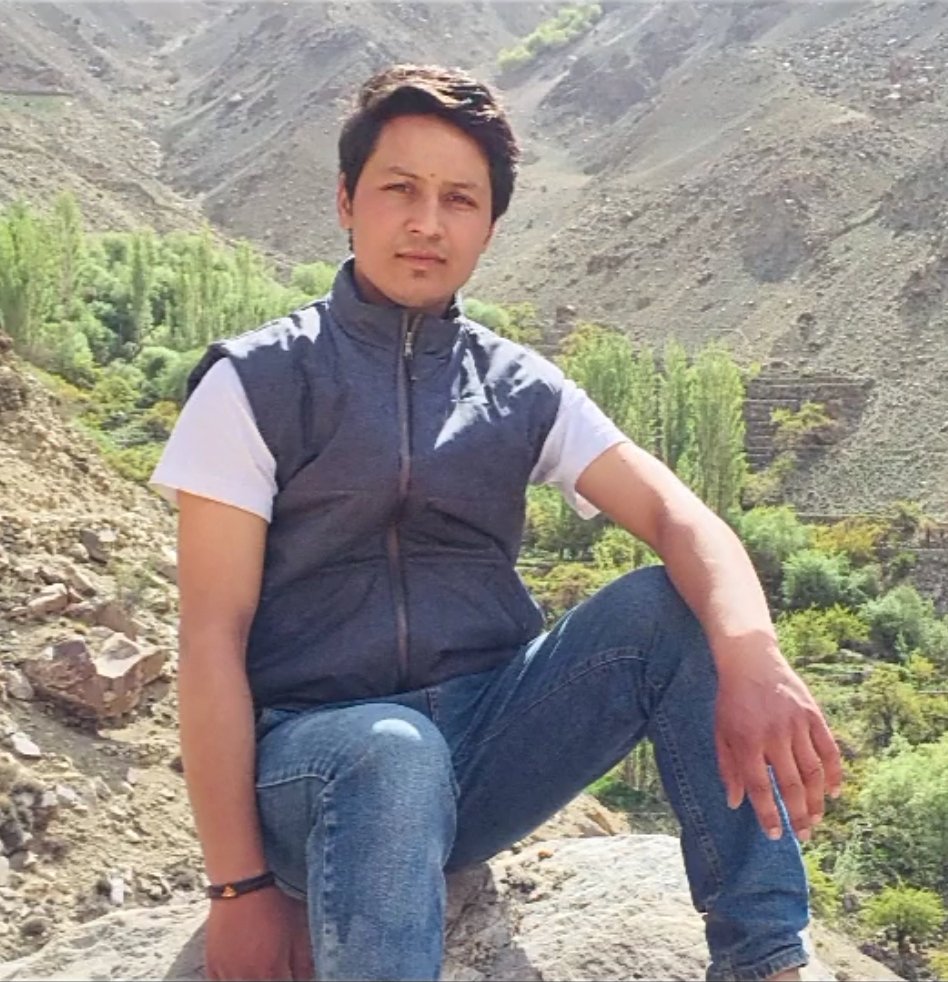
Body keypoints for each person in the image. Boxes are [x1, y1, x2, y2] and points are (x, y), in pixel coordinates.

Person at [150, 63, 842, 982]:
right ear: (347, 201)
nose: (427, 223)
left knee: (672, 609)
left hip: (478, 751)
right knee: (389, 752)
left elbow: (680, 516)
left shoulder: (518, 388)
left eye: (459, 200)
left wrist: (755, 657)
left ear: (489, 225)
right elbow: (211, 636)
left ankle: (767, 961)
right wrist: (237, 888)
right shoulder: (257, 383)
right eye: (400, 190)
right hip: (312, 764)